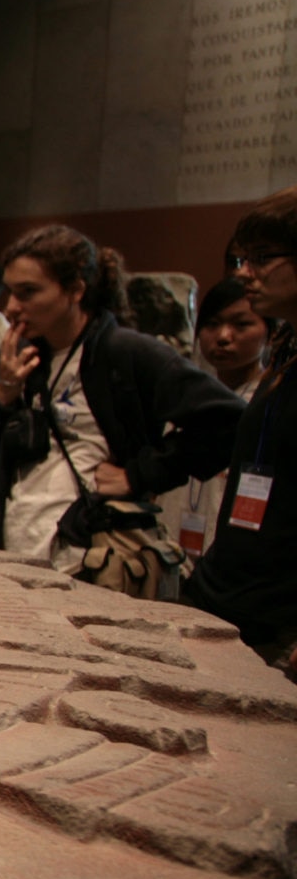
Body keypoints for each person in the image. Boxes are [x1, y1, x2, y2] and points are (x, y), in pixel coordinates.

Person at [0, 225, 242, 573]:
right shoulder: (19, 357)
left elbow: (229, 420)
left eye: (28, 292)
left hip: (90, 558)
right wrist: (1, 396)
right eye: (10, 291)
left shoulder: (125, 352)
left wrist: (140, 475)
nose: (11, 307)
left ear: (75, 290)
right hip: (12, 551)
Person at [187, 188, 297, 671]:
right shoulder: (286, 351)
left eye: (261, 258)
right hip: (229, 595)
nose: (243, 273)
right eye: (241, 259)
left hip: (279, 623)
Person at [158, 279, 272, 566]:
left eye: (241, 325)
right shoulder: (187, 398)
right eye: (211, 324)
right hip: (173, 549)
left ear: (268, 333)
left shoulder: (271, 403)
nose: (223, 336)